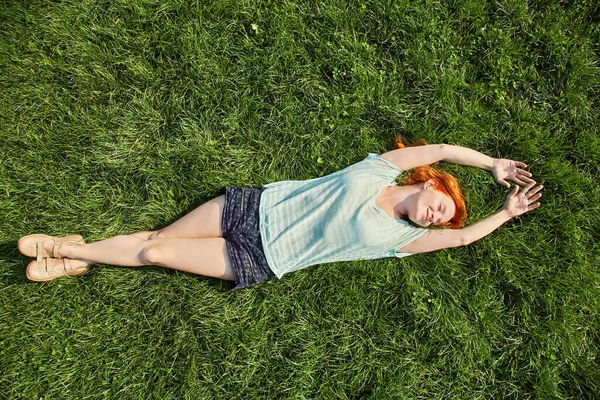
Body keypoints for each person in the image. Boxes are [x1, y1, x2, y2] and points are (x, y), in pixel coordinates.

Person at [18, 139, 543, 290]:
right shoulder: (380, 170)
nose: (434, 217)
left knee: (155, 251)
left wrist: (505, 212)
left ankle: (66, 250)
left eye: (440, 218)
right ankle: (76, 250)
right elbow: (446, 148)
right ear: (427, 181)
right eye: (441, 205)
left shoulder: (395, 239)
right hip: (253, 206)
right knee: (156, 236)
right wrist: (493, 162)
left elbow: (461, 242)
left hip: (260, 256)